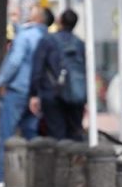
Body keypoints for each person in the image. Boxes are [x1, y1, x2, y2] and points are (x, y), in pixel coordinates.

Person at [0, 4, 48, 186]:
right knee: (32, 134)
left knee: (6, 134)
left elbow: (14, 61)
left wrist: (1, 81)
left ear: (37, 18)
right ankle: (34, 179)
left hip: (17, 90)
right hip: (36, 93)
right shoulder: (46, 37)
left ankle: (2, 176)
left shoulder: (25, 36)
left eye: (31, 10)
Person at [29, 9, 86, 141]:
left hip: (52, 95)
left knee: (56, 134)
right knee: (75, 133)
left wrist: (34, 94)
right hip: (76, 96)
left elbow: (37, 69)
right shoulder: (80, 44)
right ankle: (74, 160)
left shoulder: (47, 41)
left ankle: (59, 161)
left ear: (59, 21)